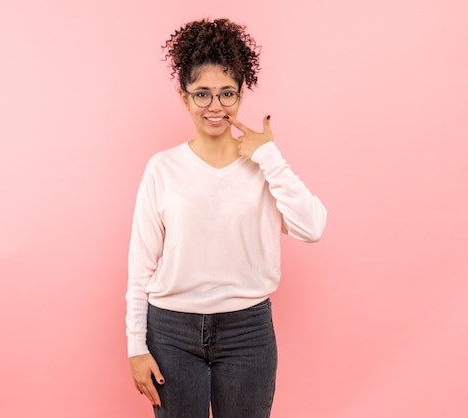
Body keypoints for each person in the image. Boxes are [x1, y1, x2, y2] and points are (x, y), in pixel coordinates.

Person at [126, 18, 327, 418]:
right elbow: (141, 265)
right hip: (171, 332)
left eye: (226, 94)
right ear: (184, 99)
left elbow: (313, 227)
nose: (215, 106)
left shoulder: (263, 168)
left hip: (248, 333)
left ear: (240, 95)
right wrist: (136, 346)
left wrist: (269, 156)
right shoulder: (162, 169)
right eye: (202, 94)